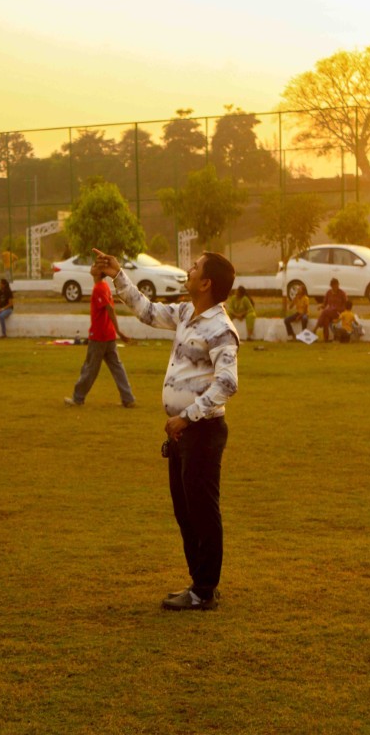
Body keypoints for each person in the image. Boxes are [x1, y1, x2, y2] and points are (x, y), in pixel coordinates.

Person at [94, 247, 238, 611]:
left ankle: (205, 590)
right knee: (186, 511)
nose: (188, 271)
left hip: (202, 432)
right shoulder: (188, 312)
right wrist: (117, 275)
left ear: (206, 283)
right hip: (182, 433)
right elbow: (148, 312)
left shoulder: (221, 329)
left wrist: (187, 416)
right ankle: (197, 585)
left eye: (195, 268)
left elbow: (227, 384)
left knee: (203, 512)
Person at [64, 262, 135, 408]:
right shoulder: (104, 286)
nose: (92, 267)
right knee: (117, 367)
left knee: (90, 368)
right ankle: (127, 398)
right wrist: (116, 331)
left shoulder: (99, 288)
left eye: (95, 266)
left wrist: (119, 330)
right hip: (108, 335)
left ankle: (77, 398)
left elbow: (109, 308)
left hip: (99, 335)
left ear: (98, 272)